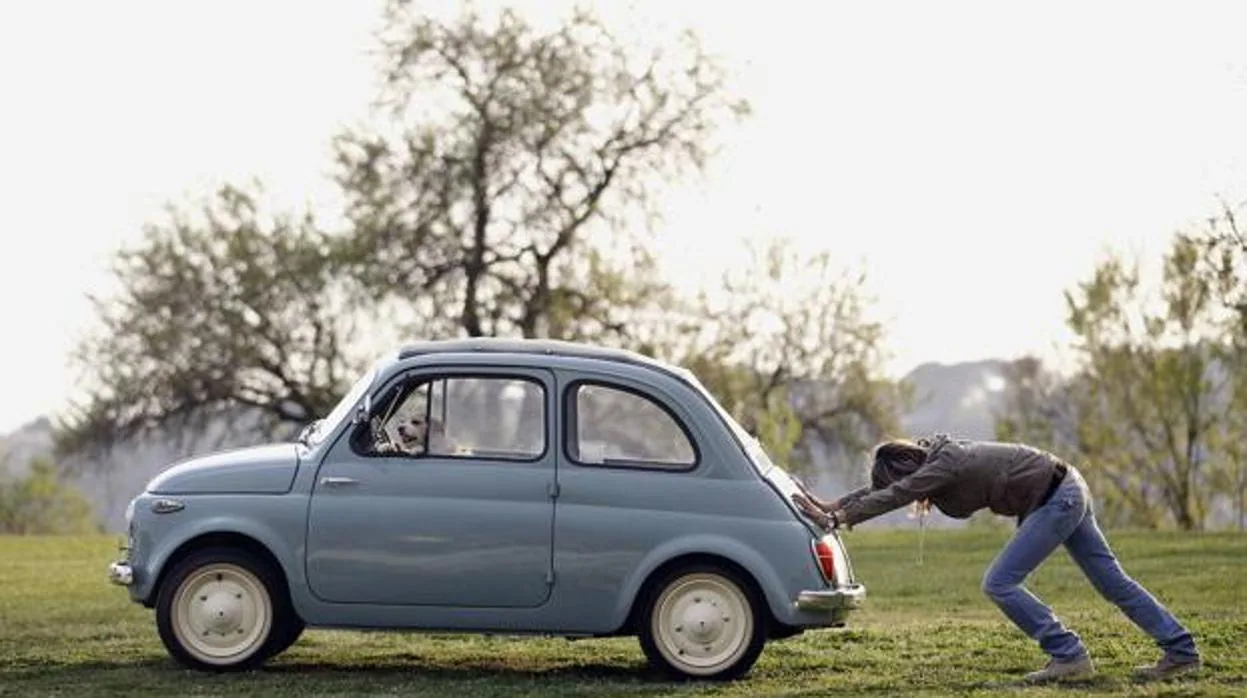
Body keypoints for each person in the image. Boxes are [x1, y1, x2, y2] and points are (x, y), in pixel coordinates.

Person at [792, 434, 1201, 683]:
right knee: (1112, 581)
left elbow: (897, 493)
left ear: (907, 468)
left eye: (906, 484)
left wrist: (840, 518)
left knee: (1000, 582)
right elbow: (886, 491)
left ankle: (1068, 655)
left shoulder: (945, 463)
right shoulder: (934, 460)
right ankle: (1181, 650)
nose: (915, 495)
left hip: (1058, 498)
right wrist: (831, 505)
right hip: (1065, 488)